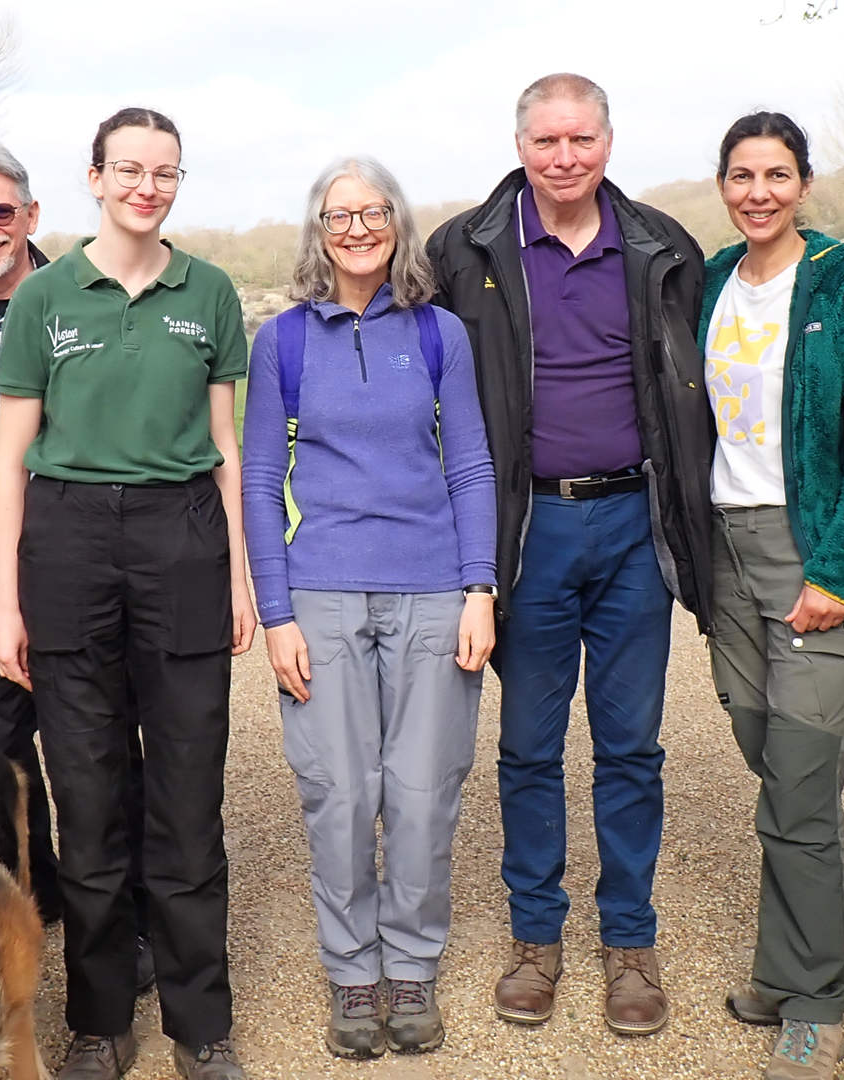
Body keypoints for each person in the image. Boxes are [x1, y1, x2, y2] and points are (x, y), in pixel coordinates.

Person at [425, 73, 713, 1035]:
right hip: (530, 532)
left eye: (580, 140)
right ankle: (535, 939)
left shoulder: (665, 248)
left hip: (635, 525)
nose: (564, 158)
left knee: (632, 745)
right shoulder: (464, 251)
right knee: (529, 746)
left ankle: (630, 944)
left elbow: (711, 379)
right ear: (520, 146)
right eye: (546, 142)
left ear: (608, 141)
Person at [0, 107, 255, 1080]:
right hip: (67, 543)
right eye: (130, 169)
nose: (148, 187)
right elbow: (11, 462)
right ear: (95, 177)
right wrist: (8, 605)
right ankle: (98, 1022)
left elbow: (227, 449)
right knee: (90, 798)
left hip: (181, 537)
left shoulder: (211, 292)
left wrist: (238, 578)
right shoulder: (45, 298)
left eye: (166, 172)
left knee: (188, 802)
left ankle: (200, 1025)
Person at [243, 156, 497, 1059]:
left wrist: (479, 589)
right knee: (340, 796)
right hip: (320, 595)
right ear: (318, 229)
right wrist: (275, 614)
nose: (357, 228)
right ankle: (353, 972)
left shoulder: (438, 335)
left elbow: (470, 464)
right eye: (338, 214)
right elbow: (262, 480)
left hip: (433, 590)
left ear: (397, 221)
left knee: (424, 795)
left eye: (373, 211)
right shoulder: (280, 343)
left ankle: (413, 968)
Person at [0, 138, 156, 990]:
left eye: (1, 211)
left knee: (102, 746)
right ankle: (33, 910)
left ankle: (125, 920)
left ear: (32, 216)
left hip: (74, 545)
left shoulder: (77, 296)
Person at [694, 113, 844, 1080]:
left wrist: (841, 571)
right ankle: (823, 960)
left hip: (813, 549)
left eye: (778, 174)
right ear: (724, 184)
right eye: (743, 175)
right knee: (772, 765)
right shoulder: (709, 284)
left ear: (804, 183)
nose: (759, 192)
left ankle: (812, 997)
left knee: (803, 779)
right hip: (727, 555)